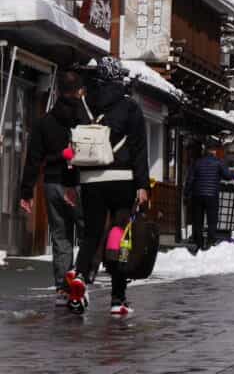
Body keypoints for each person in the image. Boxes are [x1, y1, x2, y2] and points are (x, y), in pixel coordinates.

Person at [66, 57, 150, 316]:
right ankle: (117, 299)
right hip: (123, 179)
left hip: (91, 180)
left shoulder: (83, 104)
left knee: (91, 234)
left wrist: (72, 182)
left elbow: (72, 148)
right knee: (119, 232)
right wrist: (142, 185)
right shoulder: (130, 108)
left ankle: (80, 277)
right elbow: (138, 150)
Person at [18, 70, 86, 306]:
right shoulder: (85, 120)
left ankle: (62, 287)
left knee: (60, 236)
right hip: (78, 183)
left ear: (57, 91)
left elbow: (33, 159)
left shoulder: (44, 122)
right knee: (88, 233)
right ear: (80, 92)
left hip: (51, 183)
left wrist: (26, 191)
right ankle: (80, 278)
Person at [184, 138, 234, 251]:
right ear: (214, 151)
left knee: (197, 220)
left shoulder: (197, 162)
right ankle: (209, 242)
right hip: (212, 195)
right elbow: (227, 176)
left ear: (205, 150)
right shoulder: (218, 163)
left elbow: (190, 179)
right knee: (212, 220)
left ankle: (198, 243)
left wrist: (186, 193)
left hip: (197, 195)